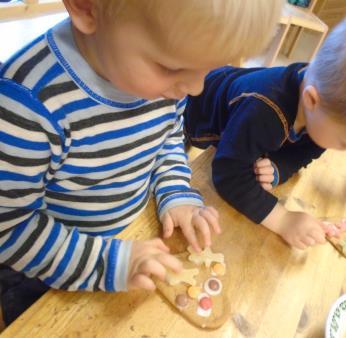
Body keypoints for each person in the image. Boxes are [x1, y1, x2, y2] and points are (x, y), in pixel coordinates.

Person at [0, 0, 284, 325]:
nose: (193, 89)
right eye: (171, 66)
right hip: (48, 270)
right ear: (86, 7)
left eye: (207, 70)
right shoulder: (27, 107)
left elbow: (167, 139)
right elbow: (9, 228)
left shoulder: (165, 87)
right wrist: (109, 264)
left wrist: (175, 191)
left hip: (135, 240)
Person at [183, 12, 346, 250]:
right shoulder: (266, 111)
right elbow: (228, 174)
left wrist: (279, 167)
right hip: (186, 112)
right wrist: (282, 220)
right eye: (344, 143)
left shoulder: (325, 102)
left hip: (236, 126)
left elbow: (306, 150)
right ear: (312, 100)